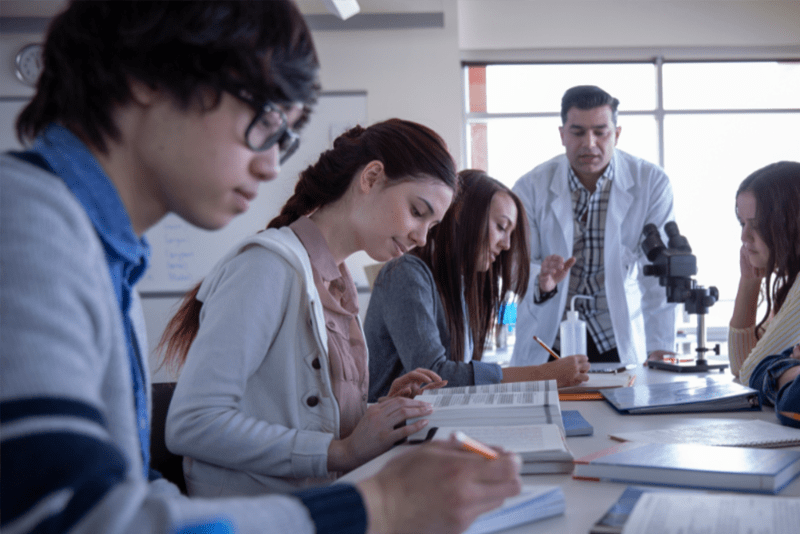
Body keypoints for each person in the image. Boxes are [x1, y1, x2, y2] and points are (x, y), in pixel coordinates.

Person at [0, 2, 522, 534]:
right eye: (264, 121)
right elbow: (68, 518)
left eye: (284, 136)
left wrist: (371, 417)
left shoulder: (103, 252)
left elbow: (127, 491)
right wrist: (373, 500)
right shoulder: (26, 223)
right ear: (150, 79)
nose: (271, 163)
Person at [160, 118, 459, 497]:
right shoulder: (267, 267)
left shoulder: (336, 279)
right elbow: (192, 424)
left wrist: (376, 412)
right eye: (418, 212)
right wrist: (341, 451)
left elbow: (294, 410)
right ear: (370, 178)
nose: (421, 237)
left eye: (432, 226)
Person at [366, 169, 591, 401]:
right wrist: (543, 374)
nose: (506, 244)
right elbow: (435, 378)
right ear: (461, 213)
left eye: (510, 234)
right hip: (397, 430)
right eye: (501, 227)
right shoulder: (406, 274)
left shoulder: (463, 286)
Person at [510, 85, 677, 368]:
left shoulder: (651, 183)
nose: (589, 143)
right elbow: (518, 266)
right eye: (577, 132)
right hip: (550, 341)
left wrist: (660, 347)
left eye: (601, 132)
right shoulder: (530, 187)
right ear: (562, 134)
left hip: (617, 340)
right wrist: (542, 279)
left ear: (617, 134)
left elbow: (658, 274)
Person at [728, 161, 800, 428]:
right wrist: (749, 281)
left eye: (756, 225)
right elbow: (743, 369)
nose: (745, 236)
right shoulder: (789, 284)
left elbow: (749, 371)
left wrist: (778, 370)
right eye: (742, 223)